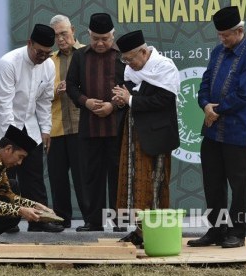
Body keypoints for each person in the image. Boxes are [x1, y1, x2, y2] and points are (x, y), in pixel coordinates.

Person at [187, 6, 246, 248]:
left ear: (239, 31)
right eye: (219, 35)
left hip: (237, 131)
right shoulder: (218, 51)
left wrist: (216, 111)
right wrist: (206, 105)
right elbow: (206, 82)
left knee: (238, 185)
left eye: (225, 35)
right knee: (212, 182)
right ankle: (217, 230)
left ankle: (237, 232)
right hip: (211, 130)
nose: (221, 39)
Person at [0, 24, 64, 233]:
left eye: (47, 53)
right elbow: (4, 104)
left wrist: (45, 130)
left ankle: (40, 221)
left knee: (33, 174)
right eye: (39, 52)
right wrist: (13, 142)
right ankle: (6, 221)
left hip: (28, 125)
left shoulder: (48, 66)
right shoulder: (8, 63)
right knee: (3, 177)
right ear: (29, 43)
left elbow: (45, 101)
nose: (42, 57)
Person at [112, 30, 180, 245]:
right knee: (132, 183)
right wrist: (123, 101)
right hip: (133, 135)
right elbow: (130, 95)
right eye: (125, 60)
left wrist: (131, 100)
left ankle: (155, 233)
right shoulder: (131, 71)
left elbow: (164, 101)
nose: (129, 64)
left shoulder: (164, 67)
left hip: (156, 136)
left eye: (131, 59)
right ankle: (140, 231)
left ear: (143, 52)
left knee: (154, 184)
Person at [66, 13, 126, 232]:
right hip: (89, 127)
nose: (100, 43)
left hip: (117, 127)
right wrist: (86, 102)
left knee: (118, 176)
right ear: (89, 35)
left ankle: (120, 222)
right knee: (91, 176)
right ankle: (93, 221)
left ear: (113, 35)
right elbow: (71, 86)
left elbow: (131, 86)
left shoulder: (122, 57)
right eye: (96, 39)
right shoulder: (80, 56)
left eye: (105, 39)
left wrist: (113, 105)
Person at [47, 15, 85, 228]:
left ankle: (91, 219)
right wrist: (55, 90)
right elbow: (39, 93)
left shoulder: (87, 54)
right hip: (56, 128)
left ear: (73, 30)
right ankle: (61, 219)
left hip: (82, 127)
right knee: (57, 178)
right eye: (56, 36)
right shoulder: (49, 60)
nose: (60, 39)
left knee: (84, 177)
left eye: (64, 33)